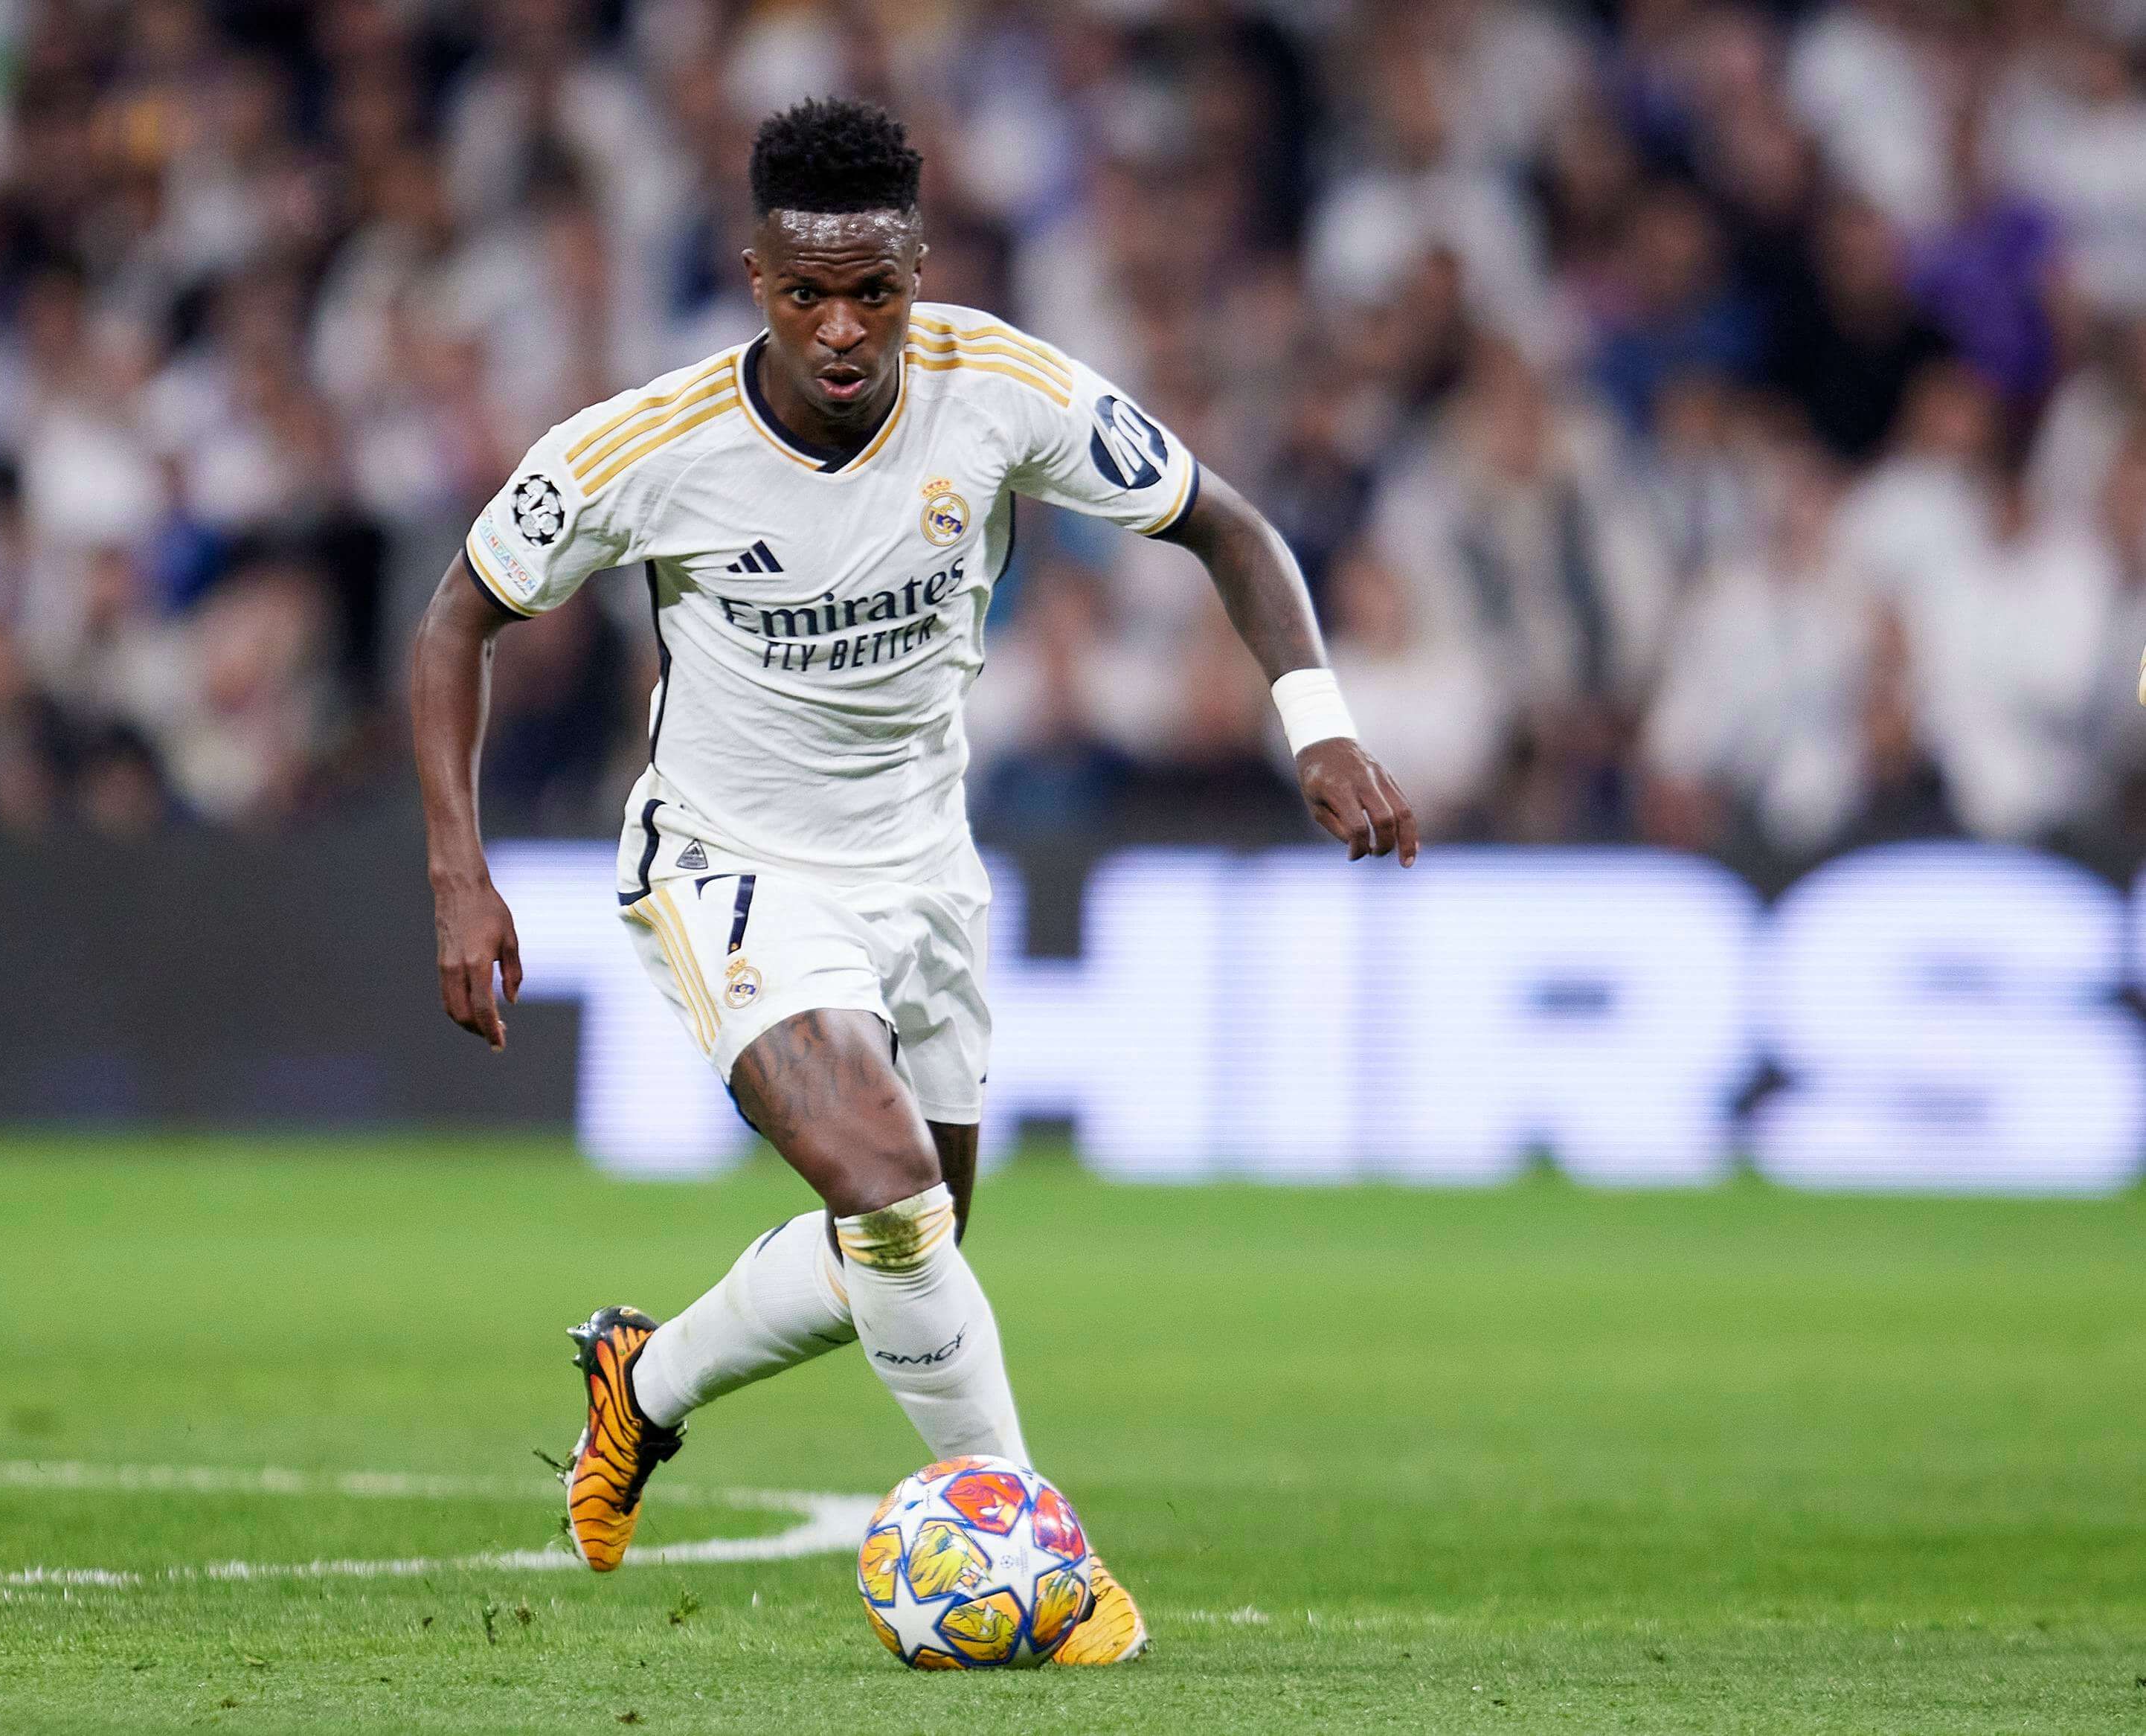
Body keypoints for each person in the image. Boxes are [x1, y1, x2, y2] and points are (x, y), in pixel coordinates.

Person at [408, 99, 1418, 1666]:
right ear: (754, 275)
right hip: (730, 862)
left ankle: (641, 1385)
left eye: (873, 291)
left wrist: (1320, 724)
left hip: (926, 869)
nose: (842, 328)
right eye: (808, 292)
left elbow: (1229, 527)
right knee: (888, 1193)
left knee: (913, 1238)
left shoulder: (1001, 391)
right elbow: (457, 619)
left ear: (918, 272)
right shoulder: (645, 449)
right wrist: (457, 871)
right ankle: (1045, 1554)